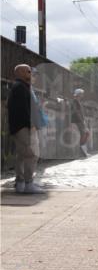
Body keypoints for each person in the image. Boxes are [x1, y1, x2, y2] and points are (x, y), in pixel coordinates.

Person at [7, 64, 45, 193]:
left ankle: (21, 183)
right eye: (28, 71)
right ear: (21, 73)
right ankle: (28, 184)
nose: (31, 74)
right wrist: (31, 124)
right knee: (32, 154)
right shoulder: (20, 87)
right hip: (24, 127)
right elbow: (22, 109)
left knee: (22, 156)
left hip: (20, 126)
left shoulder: (21, 87)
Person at [70, 88, 90, 157]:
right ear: (78, 94)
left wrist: (83, 120)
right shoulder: (74, 101)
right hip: (77, 121)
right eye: (81, 93)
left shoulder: (78, 101)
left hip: (81, 120)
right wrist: (82, 121)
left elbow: (80, 112)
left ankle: (83, 148)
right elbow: (76, 112)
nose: (82, 95)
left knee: (86, 133)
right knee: (84, 133)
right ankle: (83, 150)